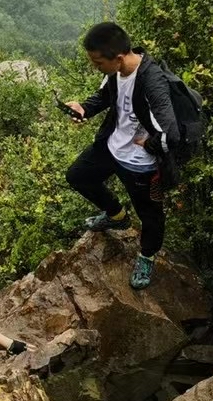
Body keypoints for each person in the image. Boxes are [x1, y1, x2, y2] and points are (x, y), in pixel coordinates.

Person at [63, 22, 180, 291]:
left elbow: (170, 135)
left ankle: (147, 257)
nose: (96, 67)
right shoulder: (116, 72)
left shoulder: (152, 81)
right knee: (78, 176)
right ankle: (116, 216)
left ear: (118, 57)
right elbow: (105, 96)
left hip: (141, 165)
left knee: (150, 215)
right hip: (111, 147)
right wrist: (84, 108)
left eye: (98, 62)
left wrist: (148, 145)